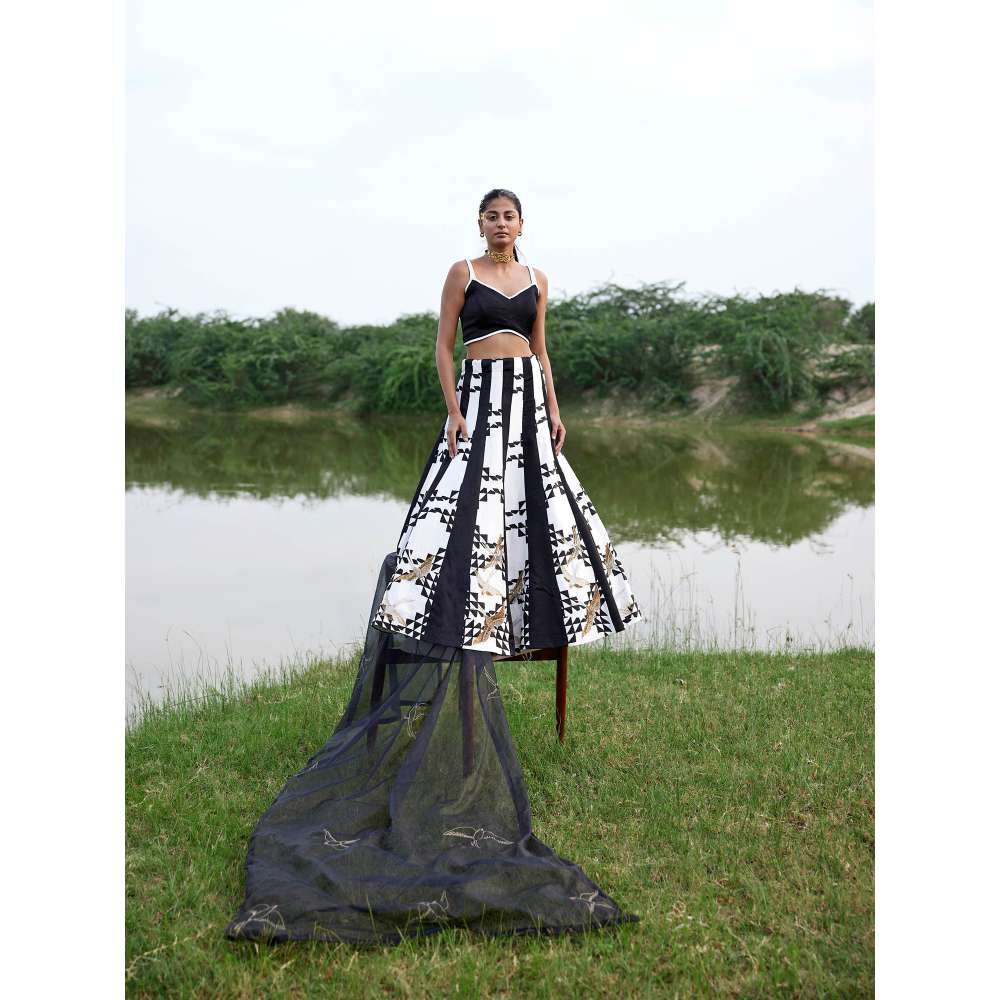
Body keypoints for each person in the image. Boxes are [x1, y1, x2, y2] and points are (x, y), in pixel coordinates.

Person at [225, 189, 643, 946]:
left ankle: (522, 619)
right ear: (479, 224)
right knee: (460, 515)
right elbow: (444, 347)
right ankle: (450, 616)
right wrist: (453, 410)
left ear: (523, 224)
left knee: (536, 515)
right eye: (491, 215)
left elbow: (541, 348)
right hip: (478, 400)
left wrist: (554, 406)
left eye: (509, 215)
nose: (500, 224)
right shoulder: (462, 273)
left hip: (527, 403)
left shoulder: (539, 280)